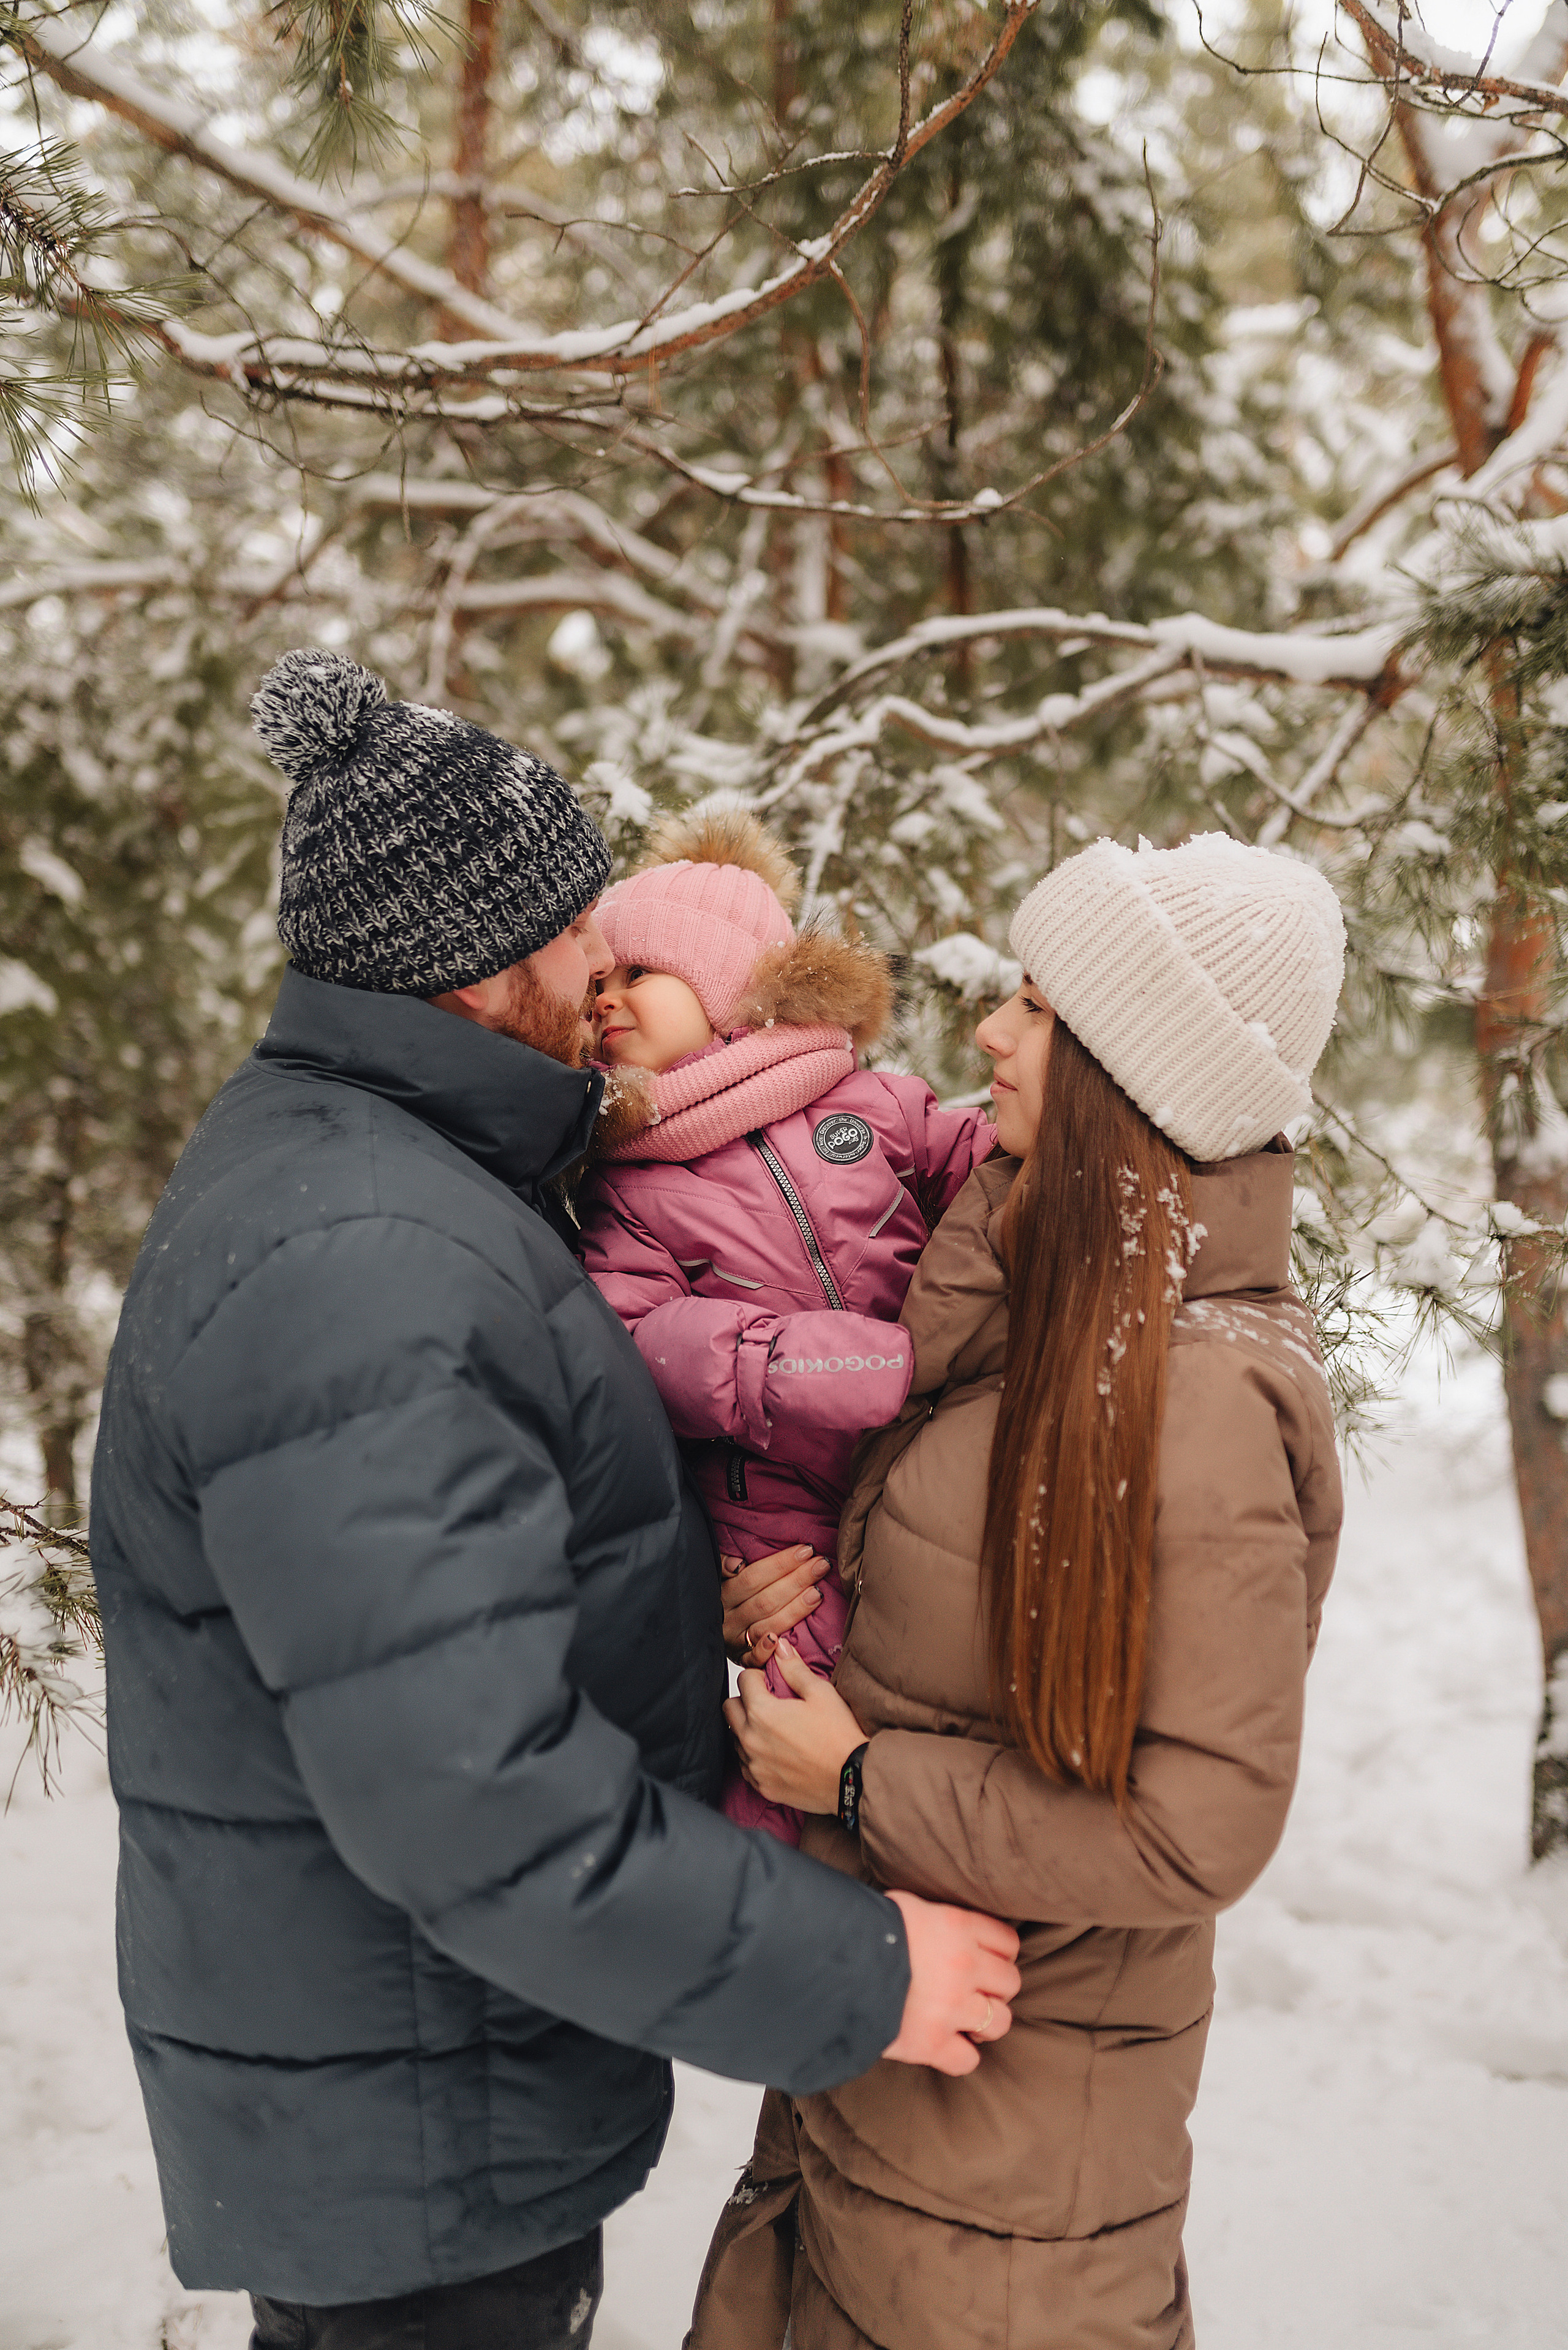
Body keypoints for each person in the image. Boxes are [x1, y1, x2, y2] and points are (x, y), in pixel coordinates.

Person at [88, 649, 1020, 2350]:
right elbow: (473, 1794)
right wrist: (859, 1969)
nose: (607, 967)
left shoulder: (388, 1176)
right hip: (419, 2131)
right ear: (480, 967)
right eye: (581, 927)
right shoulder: (367, 1259)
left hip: (408, 2085)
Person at [693, 832, 1348, 2350]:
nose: (989, 1030)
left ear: (1137, 1071)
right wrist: (780, 1606)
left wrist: (857, 1779)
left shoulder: (1195, 1397)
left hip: (1008, 2198)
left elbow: (1193, 1824)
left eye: (1041, 1009)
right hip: (887, 2096)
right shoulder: (1036, 1308)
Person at [576, 810, 993, 1843]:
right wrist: (794, 1361)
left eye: (640, 973)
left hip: (929, 1455)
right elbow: (640, 1333)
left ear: (726, 985)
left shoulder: (867, 1100)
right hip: (782, 1524)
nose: (608, 997)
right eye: (600, 982)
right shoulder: (631, 1176)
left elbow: (985, 1172)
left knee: (960, 1679)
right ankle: (769, 1906)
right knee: (791, 1723)